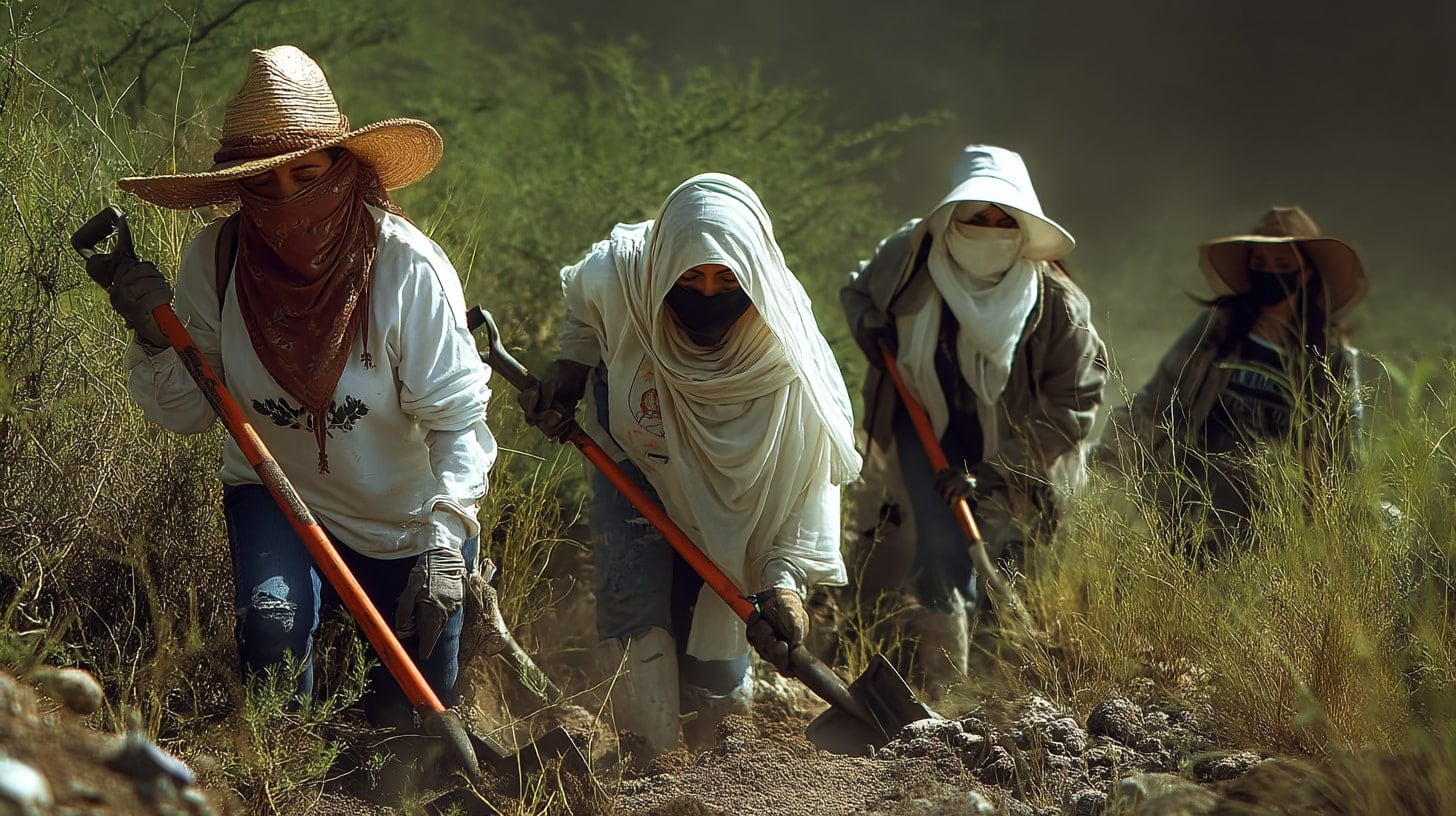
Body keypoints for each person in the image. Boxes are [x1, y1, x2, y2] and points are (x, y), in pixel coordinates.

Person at [99, 45, 496, 730]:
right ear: (238, 189)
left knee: (419, 719)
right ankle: (284, 779)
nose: (288, 203)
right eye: (265, 184)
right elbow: (190, 410)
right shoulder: (217, 260)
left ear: (344, 169)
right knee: (273, 632)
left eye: (307, 175)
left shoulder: (405, 269)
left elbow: (459, 424)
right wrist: (155, 338)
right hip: (277, 496)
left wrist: (446, 540)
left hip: (408, 521)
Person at [518, 172, 861, 761]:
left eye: (726, 279)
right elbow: (584, 315)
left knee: (723, 630)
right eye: (689, 278)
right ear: (662, 270)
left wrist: (782, 579)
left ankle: (718, 761)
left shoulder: (786, 348)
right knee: (635, 597)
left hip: (737, 506)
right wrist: (571, 368)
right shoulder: (622, 277)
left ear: (752, 277)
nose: (706, 293)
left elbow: (807, 477)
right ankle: (648, 759)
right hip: (635, 458)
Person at [840, 145, 1107, 694]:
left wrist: (991, 472)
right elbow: (856, 291)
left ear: (1021, 227)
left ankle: (1004, 689)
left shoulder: (1059, 308)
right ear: (950, 220)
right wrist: (871, 328)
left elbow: (1072, 410)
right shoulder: (909, 260)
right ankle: (947, 688)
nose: (987, 229)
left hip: (1018, 453)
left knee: (1010, 561)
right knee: (937, 547)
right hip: (925, 429)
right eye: (974, 217)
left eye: (1001, 219)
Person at [1100, 206, 1366, 557]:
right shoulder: (1219, 329)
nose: (1269, 272)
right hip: (1192, 503)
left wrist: (1336, 526)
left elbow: (1345, 448)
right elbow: (1159, 398)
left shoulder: (1330, 356)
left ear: (1304, 275)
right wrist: (1109, 461)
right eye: (1260, 262)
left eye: (1283, 266)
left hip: (1274, 522)